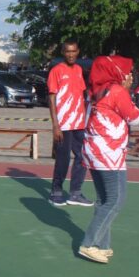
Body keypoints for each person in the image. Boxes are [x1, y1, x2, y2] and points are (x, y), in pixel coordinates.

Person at [79, 55, 139, 263]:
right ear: (117, 71)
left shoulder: (94, 91)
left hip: (95, 151)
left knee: (104, 199)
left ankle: (102, 245)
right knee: (115, 200)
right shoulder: (117, 91)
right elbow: (135, 119)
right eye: (127, 71)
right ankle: (89, 244)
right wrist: (128, 92)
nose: (129, 75)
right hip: (109, 153)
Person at [46, 40, 92, 207]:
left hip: (79, 123)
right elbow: (52, 99)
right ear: (63, 52)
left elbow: (81, 95)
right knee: (63, 159)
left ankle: (75, 193)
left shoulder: (79, 70)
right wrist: (55, 125)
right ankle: (56, 192)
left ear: (78, 52)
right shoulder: (56, 71)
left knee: (83, 157)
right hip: (63, 125)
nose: (71, 54)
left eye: (73, 51)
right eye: (67, 51)